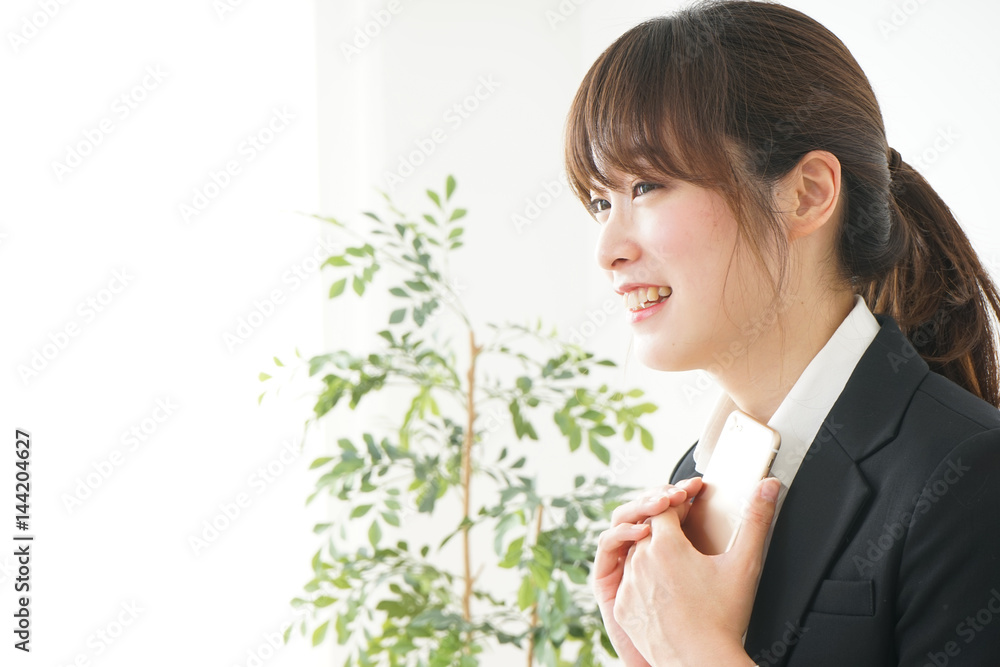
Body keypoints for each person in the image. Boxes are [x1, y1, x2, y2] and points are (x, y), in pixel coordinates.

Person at [563, 1, 1000, 665]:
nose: (607, 248)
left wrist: (695, 649)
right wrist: (643, 649)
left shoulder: (968, 473)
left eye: (647, 184)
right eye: (601, 201)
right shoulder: (694, 480)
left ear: (807, 193)